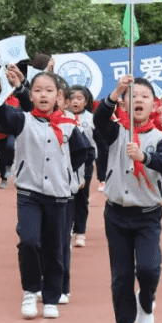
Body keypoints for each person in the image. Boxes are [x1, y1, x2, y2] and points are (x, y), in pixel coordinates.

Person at [0, 68, 90, 320]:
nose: (43, 95)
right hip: (29, 193)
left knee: (55, 247)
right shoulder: (23, 120)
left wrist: (66, 175)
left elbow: (82, 153)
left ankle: (52, 297)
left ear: (58, 96)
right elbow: (1, 113)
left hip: (58, 195)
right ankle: (31, 291)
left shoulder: (68, 126)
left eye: (49, 91)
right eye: (38, 90)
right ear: (30, 96)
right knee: (30, 241)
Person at [93, 76, 162, 323]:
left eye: (144, 96)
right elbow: (99, 120)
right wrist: (115, 92)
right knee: (122, 275)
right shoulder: (115, 132)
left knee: (149, 269)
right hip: (116, 214)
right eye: (132, 96)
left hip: (148, 215)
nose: (138, 100)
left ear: (154, 104)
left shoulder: (161, 138)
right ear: (124, 103)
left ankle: (147, 299)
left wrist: (143, 157)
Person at [67, 86, 96, 248]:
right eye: (72, 98)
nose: (75, 101)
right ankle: (68, 230)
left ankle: (81, 232)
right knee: (67, 198)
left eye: (80, 98)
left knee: (81, 199)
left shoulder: (91, 119)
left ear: (86, 101)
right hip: (67, 164)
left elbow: (95, 146)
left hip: (85, 164)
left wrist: (85, 172)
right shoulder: (63, 117)